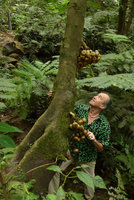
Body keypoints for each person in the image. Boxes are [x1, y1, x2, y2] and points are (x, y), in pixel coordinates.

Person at [48, 92, 112, 200]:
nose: (95, 96)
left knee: (89, 181)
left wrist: (94, 140)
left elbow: (101, 148)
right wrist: (53, 97)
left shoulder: (104, 124)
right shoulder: (81, 109)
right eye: (96, 95)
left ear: (102, 106)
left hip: (88, 156)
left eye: (99, 97)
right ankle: (51, 196)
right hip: (72, 149)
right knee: (57, 170)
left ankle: (88, 198)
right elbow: (64, 111)